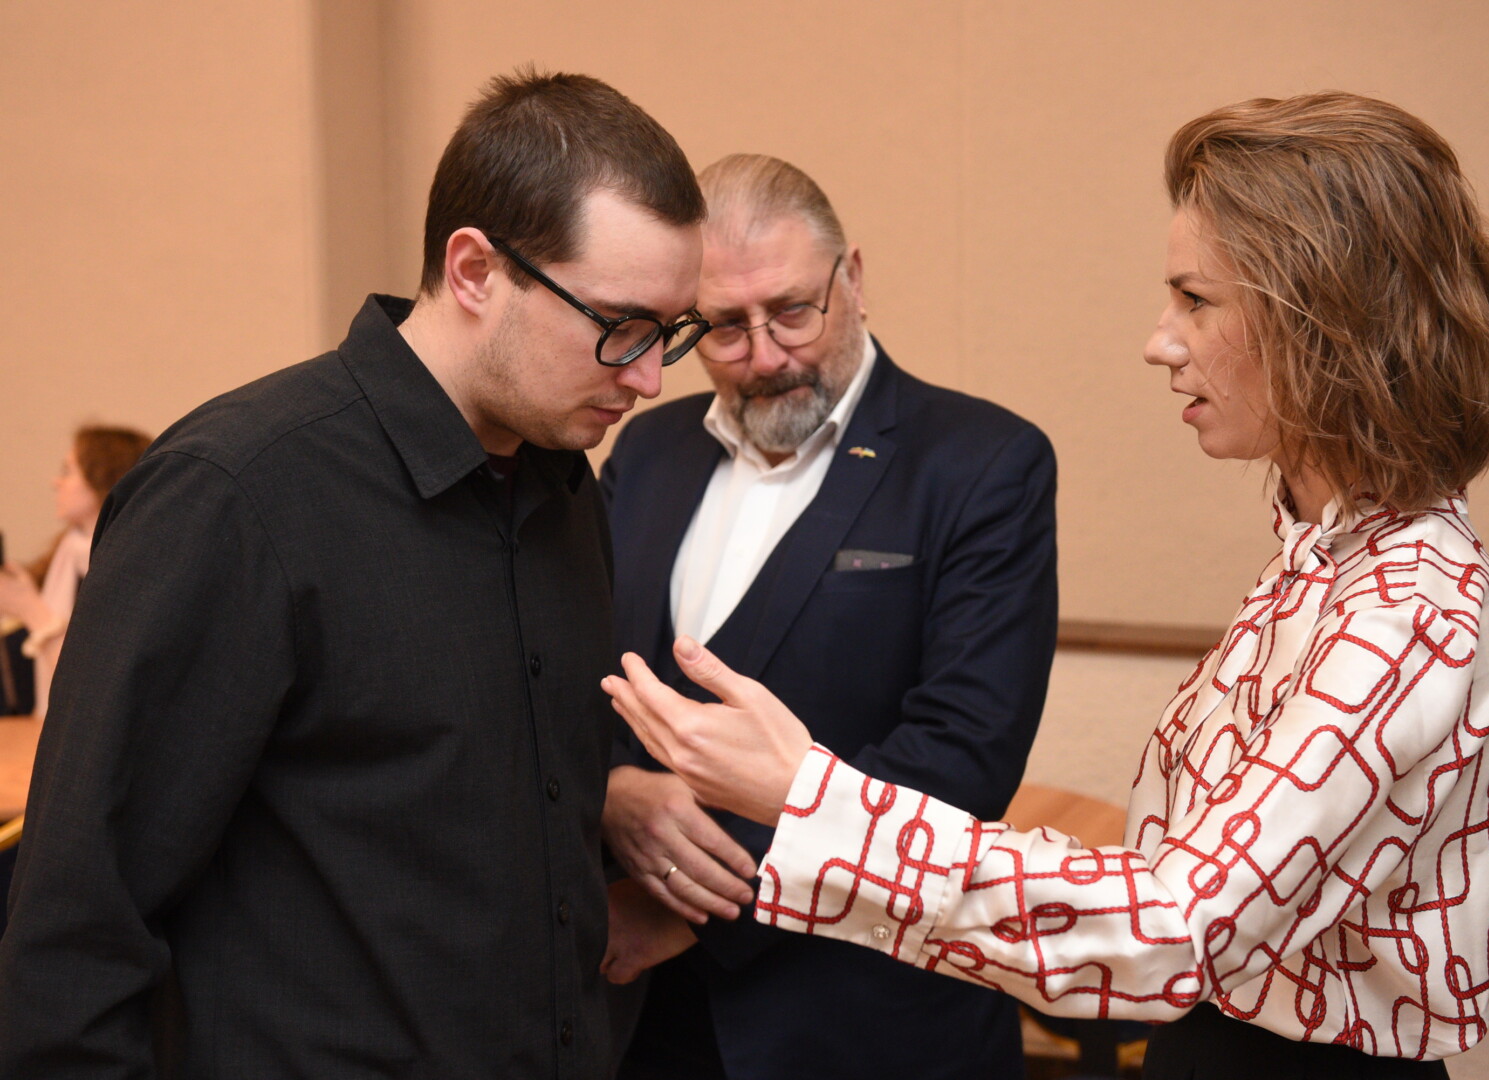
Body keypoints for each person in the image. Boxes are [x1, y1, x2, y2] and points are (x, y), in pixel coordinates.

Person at [604, 92, 1489, 1079]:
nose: (1160, 341)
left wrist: (810, 800)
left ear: (1323, 324)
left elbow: (1168, 930)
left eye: (1195, 300)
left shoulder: (1409, 604)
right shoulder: (1321, 558)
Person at [0, 69, 708, 1077]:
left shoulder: (565, 493)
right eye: (620, 326)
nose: (647, 377)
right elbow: (79, 928)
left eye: (669, 334)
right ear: (474, 270)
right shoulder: (237, 495)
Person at [597, 154, 1058, 1078]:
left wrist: (695, 904)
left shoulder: (983, 463)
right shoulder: (646, 451)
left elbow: (960, 758)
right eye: (726, 328)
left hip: (868, 1022)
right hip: (642, 1022)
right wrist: (611, 794)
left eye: (793, 311)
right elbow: (571, 675)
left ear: (852, 278)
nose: (768, 355)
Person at [1, 425, 151, 718]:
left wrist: (31, 609)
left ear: (103, 479)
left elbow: (94, 690)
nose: (55, 482)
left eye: (68, 471)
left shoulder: (130, 566)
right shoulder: (69, 550)